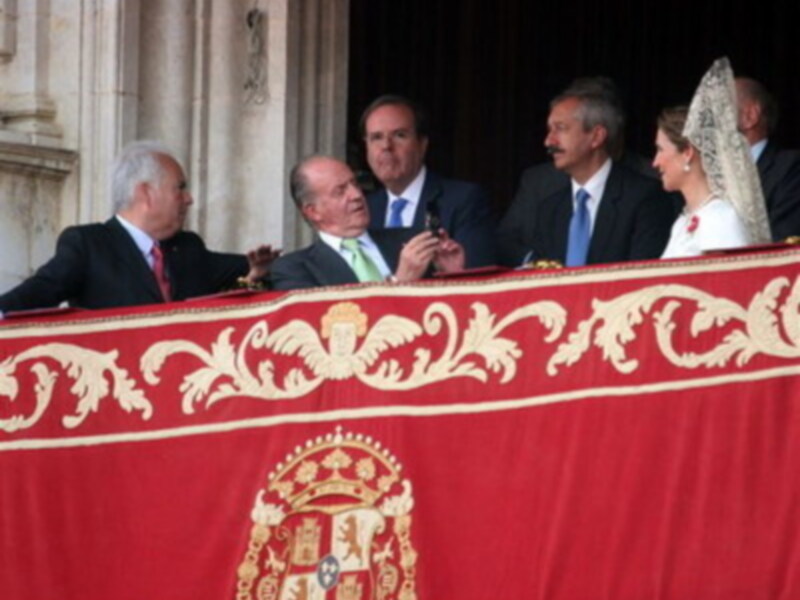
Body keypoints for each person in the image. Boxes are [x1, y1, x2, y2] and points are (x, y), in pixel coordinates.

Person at [0, 141, 278, 314]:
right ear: (146, 192)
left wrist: (257, 273)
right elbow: (40, 290)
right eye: (179, 188)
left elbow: (251, 269)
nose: (189, 199)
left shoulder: (188, 247)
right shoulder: (88, 244)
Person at [497, 78, 674, 268]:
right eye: (550, 130)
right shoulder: (551, 209)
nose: (548, 142)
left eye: (561, 128)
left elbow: (642, 279)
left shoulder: (644, 198)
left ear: (596, 136)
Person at [270, 155, 464, 290]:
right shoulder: (293, 269)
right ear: (314, 212)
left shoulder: (410, 243)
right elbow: (329, 328)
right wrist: (400, 283)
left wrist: (452, 275)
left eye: (354, 184)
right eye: (340, 191)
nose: (356, 195)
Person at [360, 95, 496, 268]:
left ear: (422, 144)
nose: (386, 146)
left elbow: (479, 278)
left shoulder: (464, 200)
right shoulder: (364, 210)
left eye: (399, 135)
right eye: (376, 137)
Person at [655, 59, 771, 259]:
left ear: (687, 153)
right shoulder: (682, 222)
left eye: (660, 150)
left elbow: (721, 286)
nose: (655, 162)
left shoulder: (720, 218)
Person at [735, 76, 800, 240]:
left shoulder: (790, 167)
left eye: (719, 109)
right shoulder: (708, 176)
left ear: (749, 116)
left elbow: (781, 240)